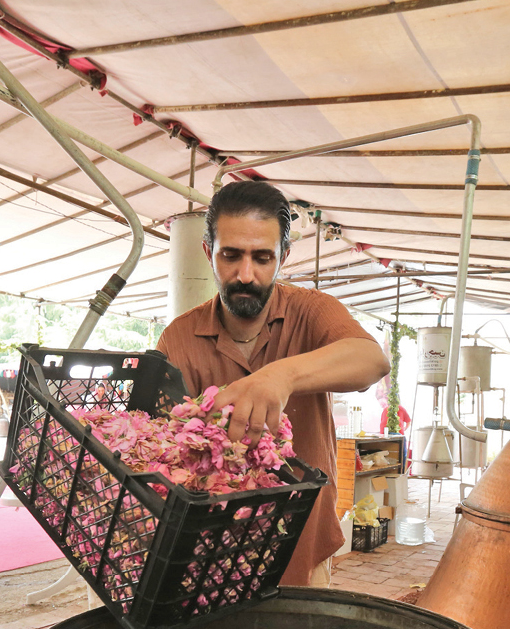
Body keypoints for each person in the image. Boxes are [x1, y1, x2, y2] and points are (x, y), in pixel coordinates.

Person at [157, 181, 390, 587]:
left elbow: (372, 361)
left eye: (262, 258)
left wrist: (281, 375)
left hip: (304, 540)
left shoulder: (313, 312)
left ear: (283, 255)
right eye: (230, 256)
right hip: (213, 551)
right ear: (208, 252)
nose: (245, 275)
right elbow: (170, 449)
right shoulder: (178, 337)